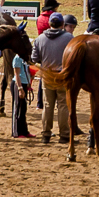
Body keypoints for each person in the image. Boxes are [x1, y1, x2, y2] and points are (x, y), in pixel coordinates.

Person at [32, 13, 75, 145]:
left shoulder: (40, 38)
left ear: (50, 24)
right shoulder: (69, 37)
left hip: (47, 75)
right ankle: (64, 134)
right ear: (62, 24)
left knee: (47, 105)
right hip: (62, 74)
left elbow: (34, 58)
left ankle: (46, 134)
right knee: (63, 105)